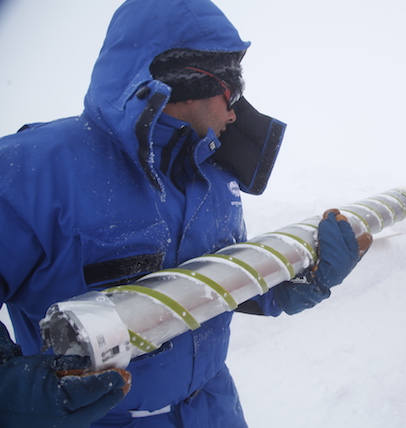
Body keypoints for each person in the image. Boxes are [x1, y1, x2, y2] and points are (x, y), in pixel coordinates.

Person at [0, 0, 371, 426]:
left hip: (214, 409)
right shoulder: (27, 172)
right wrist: (12, 392)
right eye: (230, 93)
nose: (234, 112)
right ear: (188, 82)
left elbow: (220, 281)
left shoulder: (213, 177)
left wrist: (298, 277)